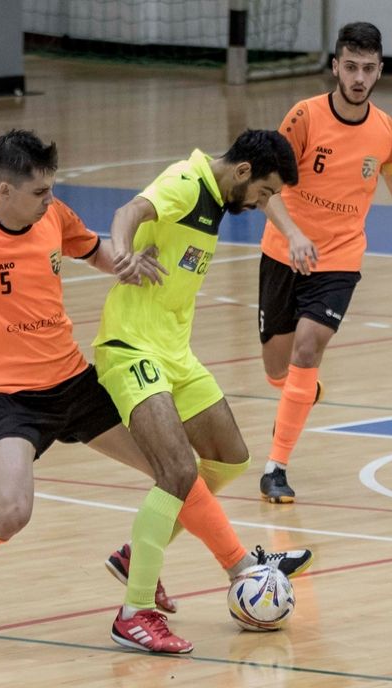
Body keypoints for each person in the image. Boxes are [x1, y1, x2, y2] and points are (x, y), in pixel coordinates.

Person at [0, 129, 310, 653]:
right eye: (39, 192)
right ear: (4, 192)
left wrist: (125, 262)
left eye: (52, 189)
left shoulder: (53, 217)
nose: (51, 199)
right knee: (11, 513)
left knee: (175, 471)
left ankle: (237, 567)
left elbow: (92, 247)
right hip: (12, 400)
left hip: (75, 382)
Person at [94, 129, 309, 655]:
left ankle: (135, 553)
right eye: (263, 194)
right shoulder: (186, 183)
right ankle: (135, 611)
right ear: (242, 173)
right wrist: (122, 253)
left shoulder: (217, 197)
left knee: (231, 458)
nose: (262, 204)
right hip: (131, 348)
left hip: (175, 353)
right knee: (176, 472)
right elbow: (129, 211)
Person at [256, 22, 392, 503]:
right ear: (336, 66)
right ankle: (300, 391)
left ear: (380, 71)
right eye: (351, 66)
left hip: (339, 258)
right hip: (283, 253)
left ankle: (275, 467)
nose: (359, 77)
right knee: (278, 369)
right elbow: (264, 187)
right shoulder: (303, 119)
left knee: (308, 349)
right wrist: (293, 234)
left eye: (368, 68)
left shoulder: (387, 134)